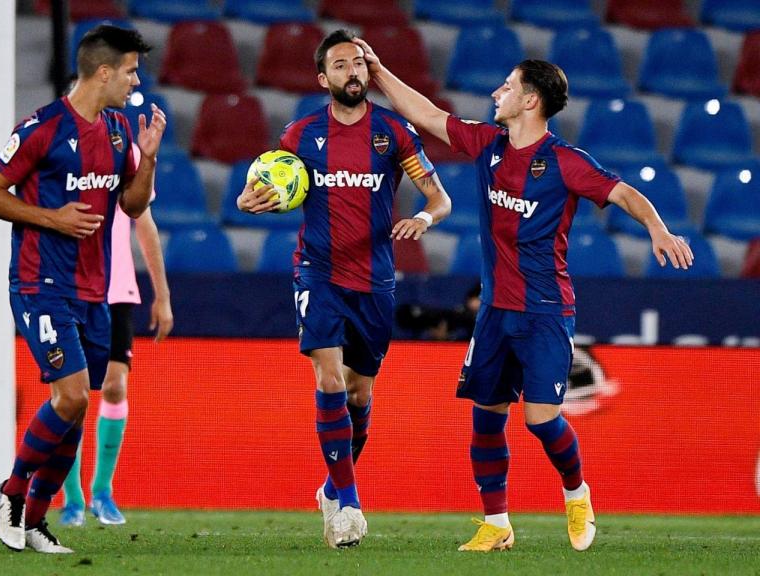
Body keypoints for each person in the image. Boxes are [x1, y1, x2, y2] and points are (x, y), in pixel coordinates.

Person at [354, 39, 695, 552]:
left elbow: (623, 192)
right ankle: (497, 523)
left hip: (545, 311)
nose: (497, 92)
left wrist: (658, 230)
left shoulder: (564, 161)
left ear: (530, 100)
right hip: (494, 310)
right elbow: (425, 114)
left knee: (540, 418)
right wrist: (378, 70)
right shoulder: (487, 143)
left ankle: (577, 493)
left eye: (508, 87)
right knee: (484, 418)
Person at [237, 29, 451, 549]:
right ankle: (349, 506)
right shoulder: (301, 135)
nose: (352, 72)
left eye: (358, 64)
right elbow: (259, 184)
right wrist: (247, 200)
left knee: (359, 391)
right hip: (318, 272)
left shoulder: (394, 133)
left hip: (374, 281)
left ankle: (333, 486)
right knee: (330, 379)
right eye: (340, 65)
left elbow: (439, 197)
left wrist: (423, 217)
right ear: (322, 78)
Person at [0, 24, 164, 554]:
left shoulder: (121, 130)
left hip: (93, 291)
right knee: (73, 394)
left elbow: (132, 205)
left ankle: (35, 521)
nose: (135, 80)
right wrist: (51, 219)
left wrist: (147, 159)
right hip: (40, 284)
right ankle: (11, 493)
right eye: (129, 71)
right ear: (103, 72)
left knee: (77, 406)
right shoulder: (42, 128)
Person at [59, 144, 173, 527]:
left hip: (116, 289)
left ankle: (102, 492)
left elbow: (145, 224)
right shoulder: (61, 153)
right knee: (69, 397)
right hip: (69, 288)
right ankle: (71, 498)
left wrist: (163, 294)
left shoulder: (128, 155)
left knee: (114, 387)